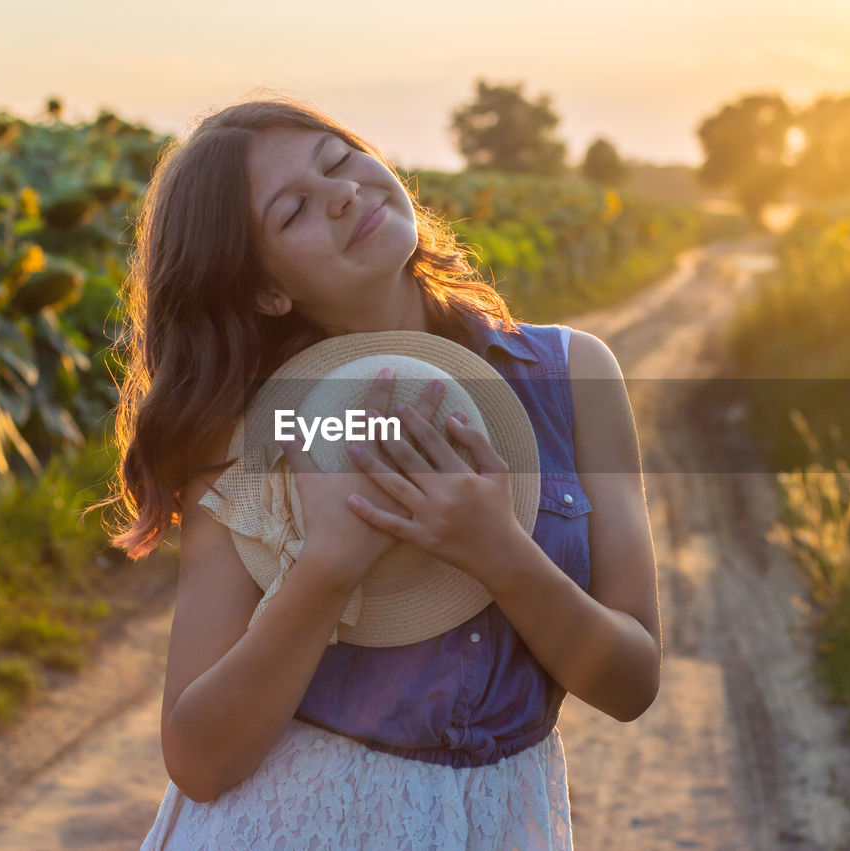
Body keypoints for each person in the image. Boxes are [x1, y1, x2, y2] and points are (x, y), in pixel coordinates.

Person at [103, 95, 662, 848]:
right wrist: (326, 568)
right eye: (295, 209)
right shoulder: (249, 436)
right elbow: (199, 760)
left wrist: (497, 551)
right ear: (268, 289)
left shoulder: (573, 376)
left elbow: (631, 682)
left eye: (338, 160)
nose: (341, 193)